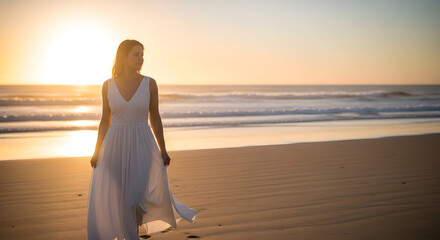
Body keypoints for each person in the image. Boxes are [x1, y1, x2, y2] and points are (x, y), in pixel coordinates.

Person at [87, 39, 198, 240]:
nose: (141, 59)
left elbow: (154, 117)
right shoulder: (107, 86)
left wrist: (163, 149)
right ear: (124, 57)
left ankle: (132, 232)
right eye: (136, 54)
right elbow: (105, 121)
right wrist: (96, 151)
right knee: (121, 198)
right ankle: (131, 236)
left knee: (136, 197)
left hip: (142, 144)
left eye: (142, 54)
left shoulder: (150, 83)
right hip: (114, 146)